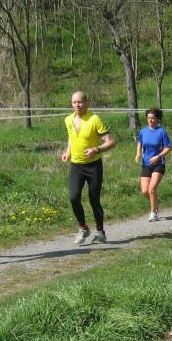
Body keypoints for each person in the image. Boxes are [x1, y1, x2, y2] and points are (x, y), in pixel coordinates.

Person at [62, 90, 117, 245]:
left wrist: (96, 150)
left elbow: (111, 142)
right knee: (74, 197)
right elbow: (71, 137)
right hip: (76, 166)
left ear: (86, 103)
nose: (77, 105)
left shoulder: (94, 119)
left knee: (94, 200)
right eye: (74, 102)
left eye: (80, 102)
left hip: (93, 166)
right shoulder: (68, 119)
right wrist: (68, 151)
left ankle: (100, 231)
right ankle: (83, 228)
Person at [135, 107, 172, 222]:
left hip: (158, 164)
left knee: (152, 189)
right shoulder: (143, 131)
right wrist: (138, 153)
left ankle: (153, 213)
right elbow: (140, 142)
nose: (150, 120)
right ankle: (156, 199)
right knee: (145, 191)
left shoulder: (162, 132)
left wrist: (158, 156)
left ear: (157, 119)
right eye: (148, 118)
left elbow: (168, 147)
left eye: (153, 118)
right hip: (146, 164)